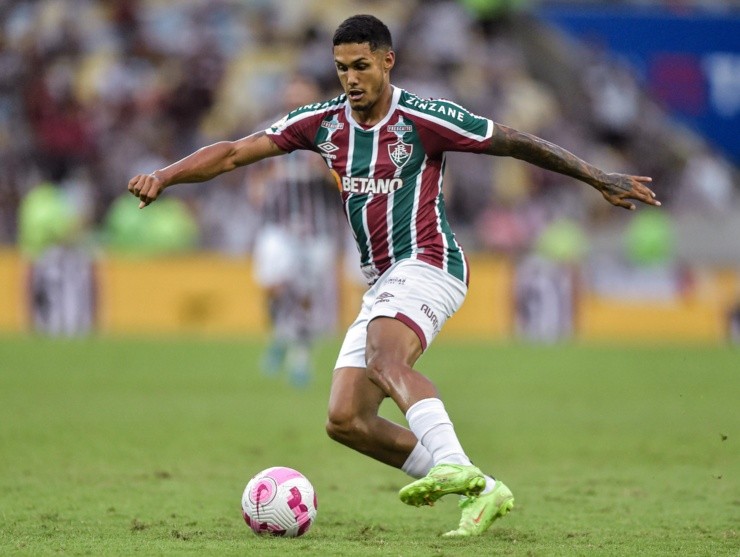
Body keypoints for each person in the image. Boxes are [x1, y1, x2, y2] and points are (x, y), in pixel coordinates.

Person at [128, 14, 660, 537]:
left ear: (388, 61)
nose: (351, 79)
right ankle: (479, 487)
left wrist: (597, 176)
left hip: (431, 262)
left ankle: (451, 463)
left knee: (385, 360)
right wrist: (164, 176)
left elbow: (515, 141)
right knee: (346, 420)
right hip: (382, 280)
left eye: (361, 66)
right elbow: (233, 154)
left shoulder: (425, 119)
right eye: (342, 68)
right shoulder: (323, 124)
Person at [248, 73, 345, 387]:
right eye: (292, 98)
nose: (296, 104)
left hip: (318, 228)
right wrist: (260, 189)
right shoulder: (268, 130)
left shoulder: (333, 135)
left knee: (306, 294)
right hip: (277, 225)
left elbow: (348, 183)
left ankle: (300, 357)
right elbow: (254, 176)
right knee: (273, 284)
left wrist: (326, 170)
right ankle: (281, 333)